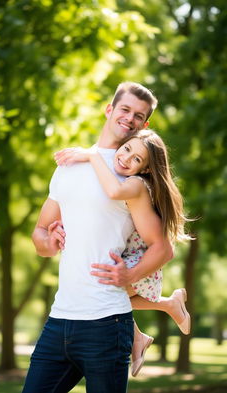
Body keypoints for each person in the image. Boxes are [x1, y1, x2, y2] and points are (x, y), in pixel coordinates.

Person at [22, 82, 173, 393]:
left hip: (106, 322)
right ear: (109, 109)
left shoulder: (132, 177)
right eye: (125, 109)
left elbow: (162, 248)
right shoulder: (69, 166)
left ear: (145, 125)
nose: (130, 119)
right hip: (59, 319)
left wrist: (130, 274)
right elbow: (39, 232)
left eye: (139, 116)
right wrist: (49, 241)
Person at [54, 128, 191, 377]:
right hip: (132, 255)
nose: (126, 158)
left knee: (102, 295)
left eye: (136, 159)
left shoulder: (136, 184)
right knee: (106, 298)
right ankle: (147, 329)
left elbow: (113, 192)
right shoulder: (133, 181)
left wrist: (92, 155)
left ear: (146, 169)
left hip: (139, 260)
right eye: (127, 149)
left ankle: (167, 309)